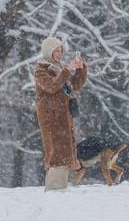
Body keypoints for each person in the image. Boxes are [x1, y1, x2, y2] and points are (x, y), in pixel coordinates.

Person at [35, 36, 88, 191]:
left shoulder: (59, 68)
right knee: (56, 153)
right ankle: (54, 190)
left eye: (60, 51)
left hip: (64, 116)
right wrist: (67, 69)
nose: (59, 54)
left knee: (64, 152)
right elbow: (52, 86)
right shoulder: (41, 69)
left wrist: (80, 68)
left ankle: (61, 189)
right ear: (48, 51)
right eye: (55, 51)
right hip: (51, 117)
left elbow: (74, 86)